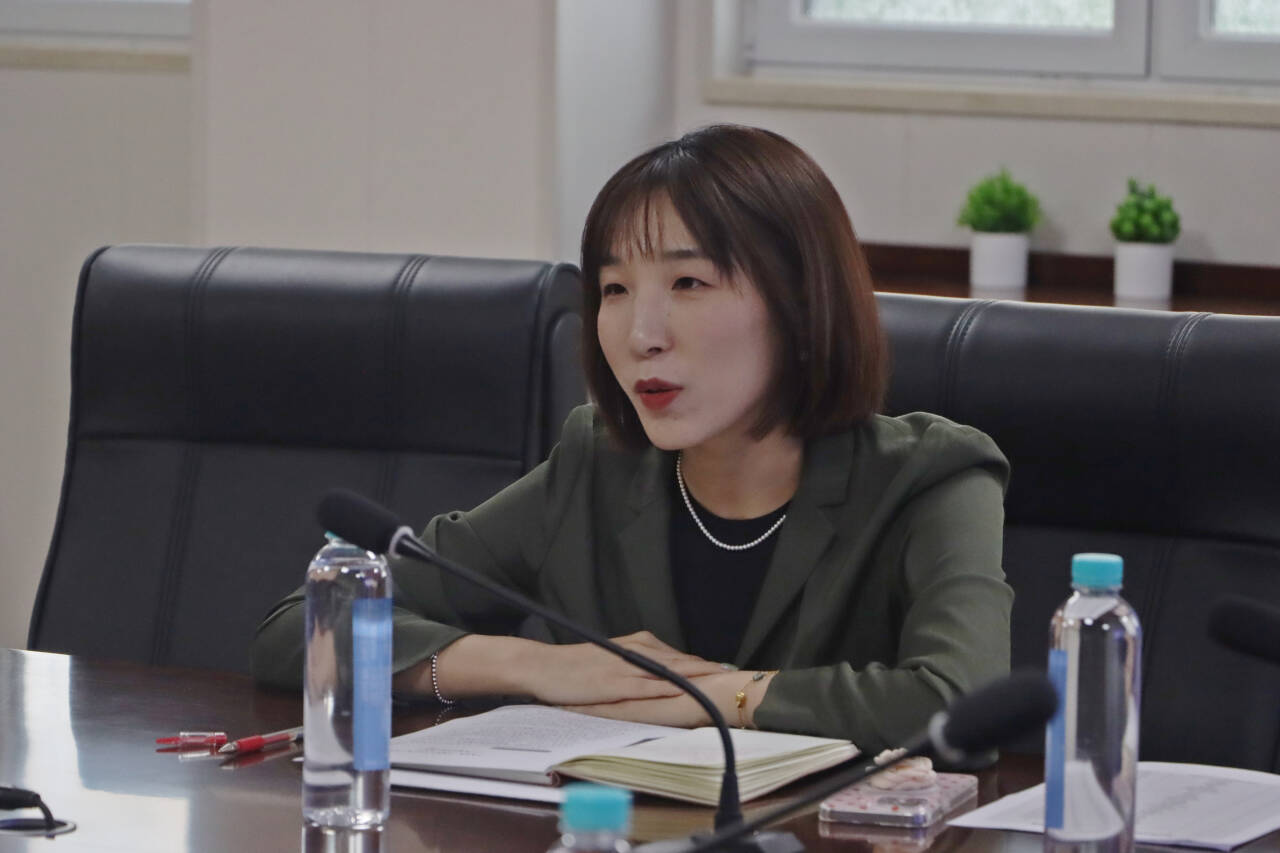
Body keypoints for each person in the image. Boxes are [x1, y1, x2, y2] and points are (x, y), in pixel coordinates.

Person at [251, 124, 1011, 753]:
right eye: (614, 290)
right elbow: (307, 630)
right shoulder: (599, 465)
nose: (641, 333)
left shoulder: (930, 476)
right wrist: (535, 666)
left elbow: (964, 700)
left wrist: (728, 697)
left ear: (802, 305)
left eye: (688, 283)